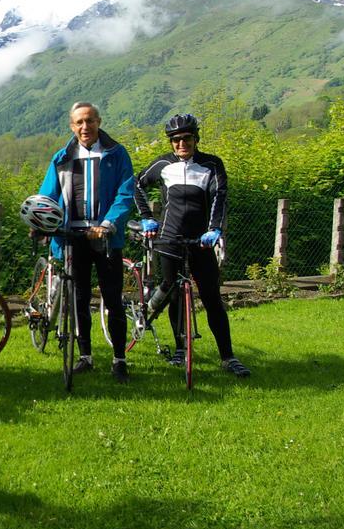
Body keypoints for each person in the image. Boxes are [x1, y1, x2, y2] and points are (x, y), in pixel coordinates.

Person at [134, 113, 250, 377]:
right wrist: (146, 218)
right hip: (169, 238)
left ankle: (228, 357)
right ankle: (179, 349)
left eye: (186, 138)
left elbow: (220, 197)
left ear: (196, 139)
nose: (181, 144)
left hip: (200, 241)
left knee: (211, 298)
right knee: (174, 293)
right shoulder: (163, 164)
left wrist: (215, 229)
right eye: (175, 140)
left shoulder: (212, 164)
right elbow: (136, 185)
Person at [37, 101, 135, 383]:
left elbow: (125, 193)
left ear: (99, 122)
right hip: (73, 239)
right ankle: (85, 357)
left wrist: (108, 224)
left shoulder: (116, 154)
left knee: (113, 300)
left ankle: (119, 360)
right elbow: (48, 196)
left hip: (105, 239)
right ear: (72, 126)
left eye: (90, 121)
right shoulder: (61, 158)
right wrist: (42, 223)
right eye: (79, 122)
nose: (85, 127)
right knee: (78, 300)